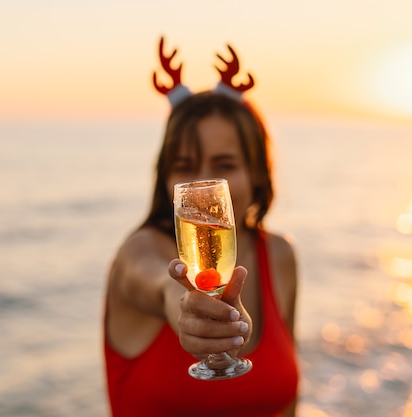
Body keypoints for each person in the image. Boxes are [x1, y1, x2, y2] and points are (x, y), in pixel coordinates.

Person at [103, 36, 299, 417]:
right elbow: (157, 283)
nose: (203, 187)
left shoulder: (281, 255)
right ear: (164, 178)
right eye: (184, 166)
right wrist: (187, 312)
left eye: (224, 165)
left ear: (257, 172)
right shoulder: (137, 253)